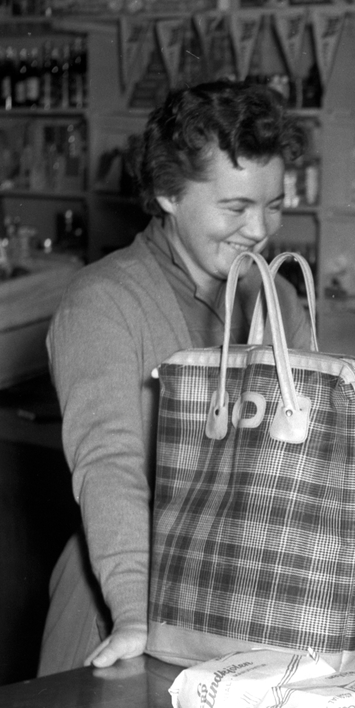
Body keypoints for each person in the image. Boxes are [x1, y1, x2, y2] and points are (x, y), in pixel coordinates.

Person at [40, 80, 313, 675]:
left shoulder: (278, 300)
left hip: (243, 608)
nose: (260, 229)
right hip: (122, 604)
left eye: (274, 204)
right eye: (236, 207)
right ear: (168, 192)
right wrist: (136, 613)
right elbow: (108, 465)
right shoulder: (103, 304)